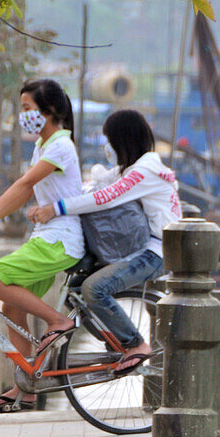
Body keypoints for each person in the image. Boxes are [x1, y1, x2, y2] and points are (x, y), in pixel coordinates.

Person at [31, 109, 181, 373]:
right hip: (141, 247)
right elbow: (94, 186)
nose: (107, 147)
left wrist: (58, 208)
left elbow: (106, 197)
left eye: (109, 140)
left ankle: (135, 344)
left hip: (155, 253)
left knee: (94, 289)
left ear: (122, 140)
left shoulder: (145, 171)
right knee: (77, 289)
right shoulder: (131, 169)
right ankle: (114, 344)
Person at [0, 80, 85, 412]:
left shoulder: (61, 145)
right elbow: (25, 191)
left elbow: (25, 184)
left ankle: (59, 322)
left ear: (47, 111)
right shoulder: (43, 146)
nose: (23, 116)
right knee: (11, 308)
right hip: (46, 237)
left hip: (60, 241)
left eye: (26, 108)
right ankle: (29, 382)